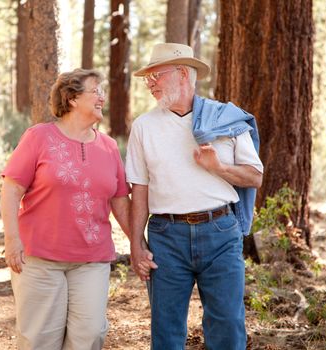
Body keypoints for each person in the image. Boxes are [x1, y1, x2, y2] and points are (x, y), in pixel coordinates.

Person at [125, 43, 264, 349]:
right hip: (166, 236)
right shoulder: (143, 127)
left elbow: (255, 176)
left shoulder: (225, 120)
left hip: (220, 233)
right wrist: (136, 245)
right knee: (166, 329)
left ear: (183, 74)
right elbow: (140, 189)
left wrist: (219, 167)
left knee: (227, 324)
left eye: (156, 75)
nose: (150, 83)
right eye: (147, 78)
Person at [0, 68, 130, 350]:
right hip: (40, 259)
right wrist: (12, 239)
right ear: (72, 99)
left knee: (91, 334)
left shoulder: (108, 147)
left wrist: (138, 244)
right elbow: (11, 189)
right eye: (96, 91)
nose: (102, 98)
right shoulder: (39, 137)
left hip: (91, 259)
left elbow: (120, 200)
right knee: (39, 340)